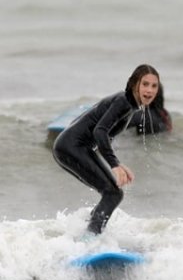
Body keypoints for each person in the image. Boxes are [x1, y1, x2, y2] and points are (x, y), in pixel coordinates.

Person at [53, 64, 163, 235]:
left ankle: (87, 233)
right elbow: (100, 131)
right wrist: (114, 165)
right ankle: (91, 239)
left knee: (111, 193)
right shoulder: (124, 102)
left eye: (154, 86)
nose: (149, 90)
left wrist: (118, 164)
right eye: (145, 84)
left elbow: (104, 138)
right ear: (135, 84)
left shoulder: (129, 104)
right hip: (72, 147)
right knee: (113, 194)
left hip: (71, 147)